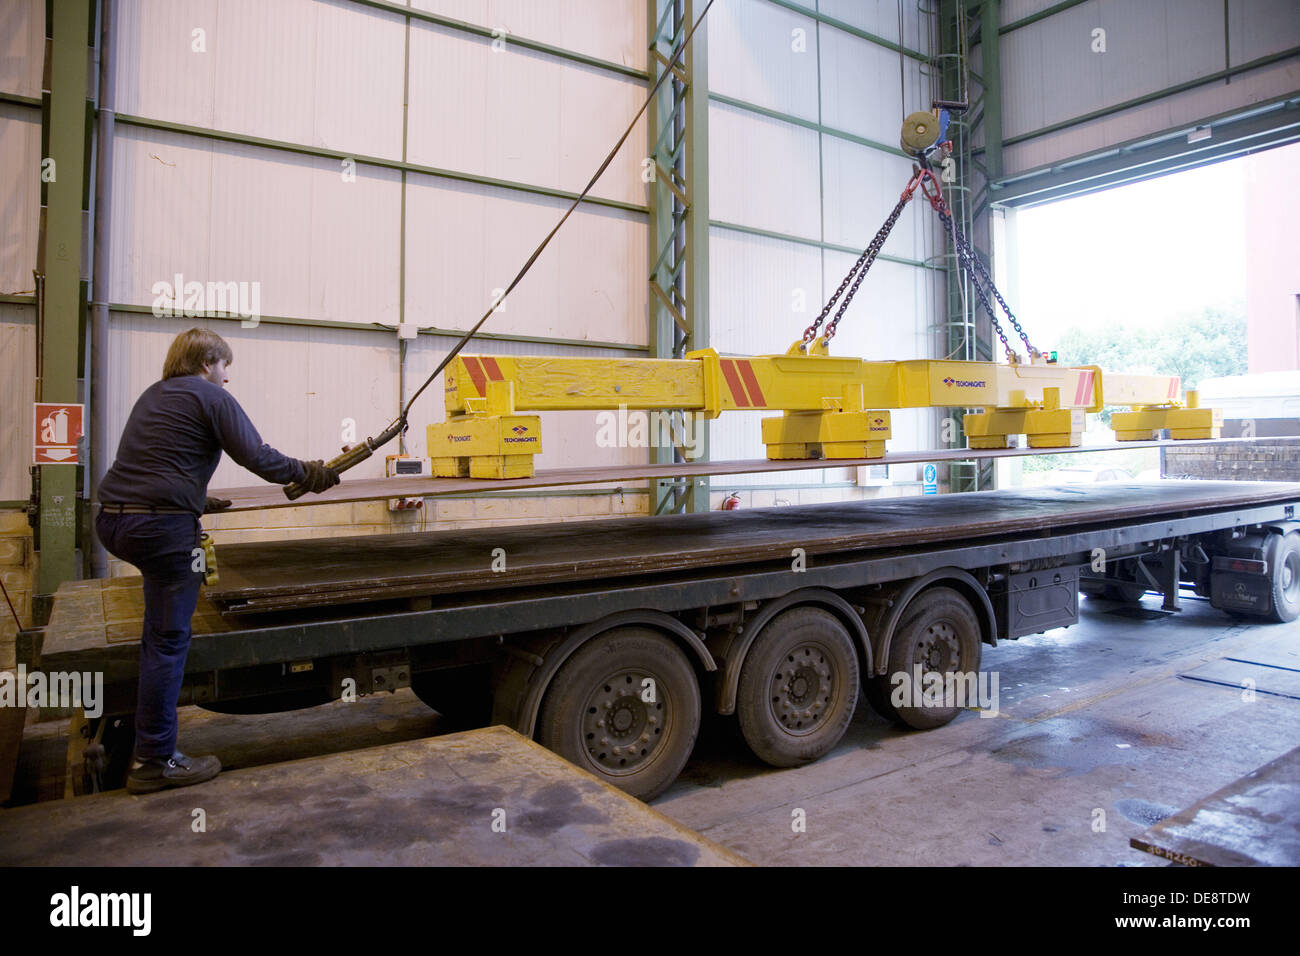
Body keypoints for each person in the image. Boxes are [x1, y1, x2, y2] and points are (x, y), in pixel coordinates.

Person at [95, 328, 340, 794]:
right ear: (208, 361)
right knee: (168, 642)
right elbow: (259, 457)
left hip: (112, 521)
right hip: (161, 531)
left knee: (157, 636)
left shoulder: (154, 395)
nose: (227, 377)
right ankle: (154, 760)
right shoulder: (212, 397)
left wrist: (196, 498)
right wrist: (308, 473)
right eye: (225, 365)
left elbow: (154, 461)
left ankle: (151, 744)